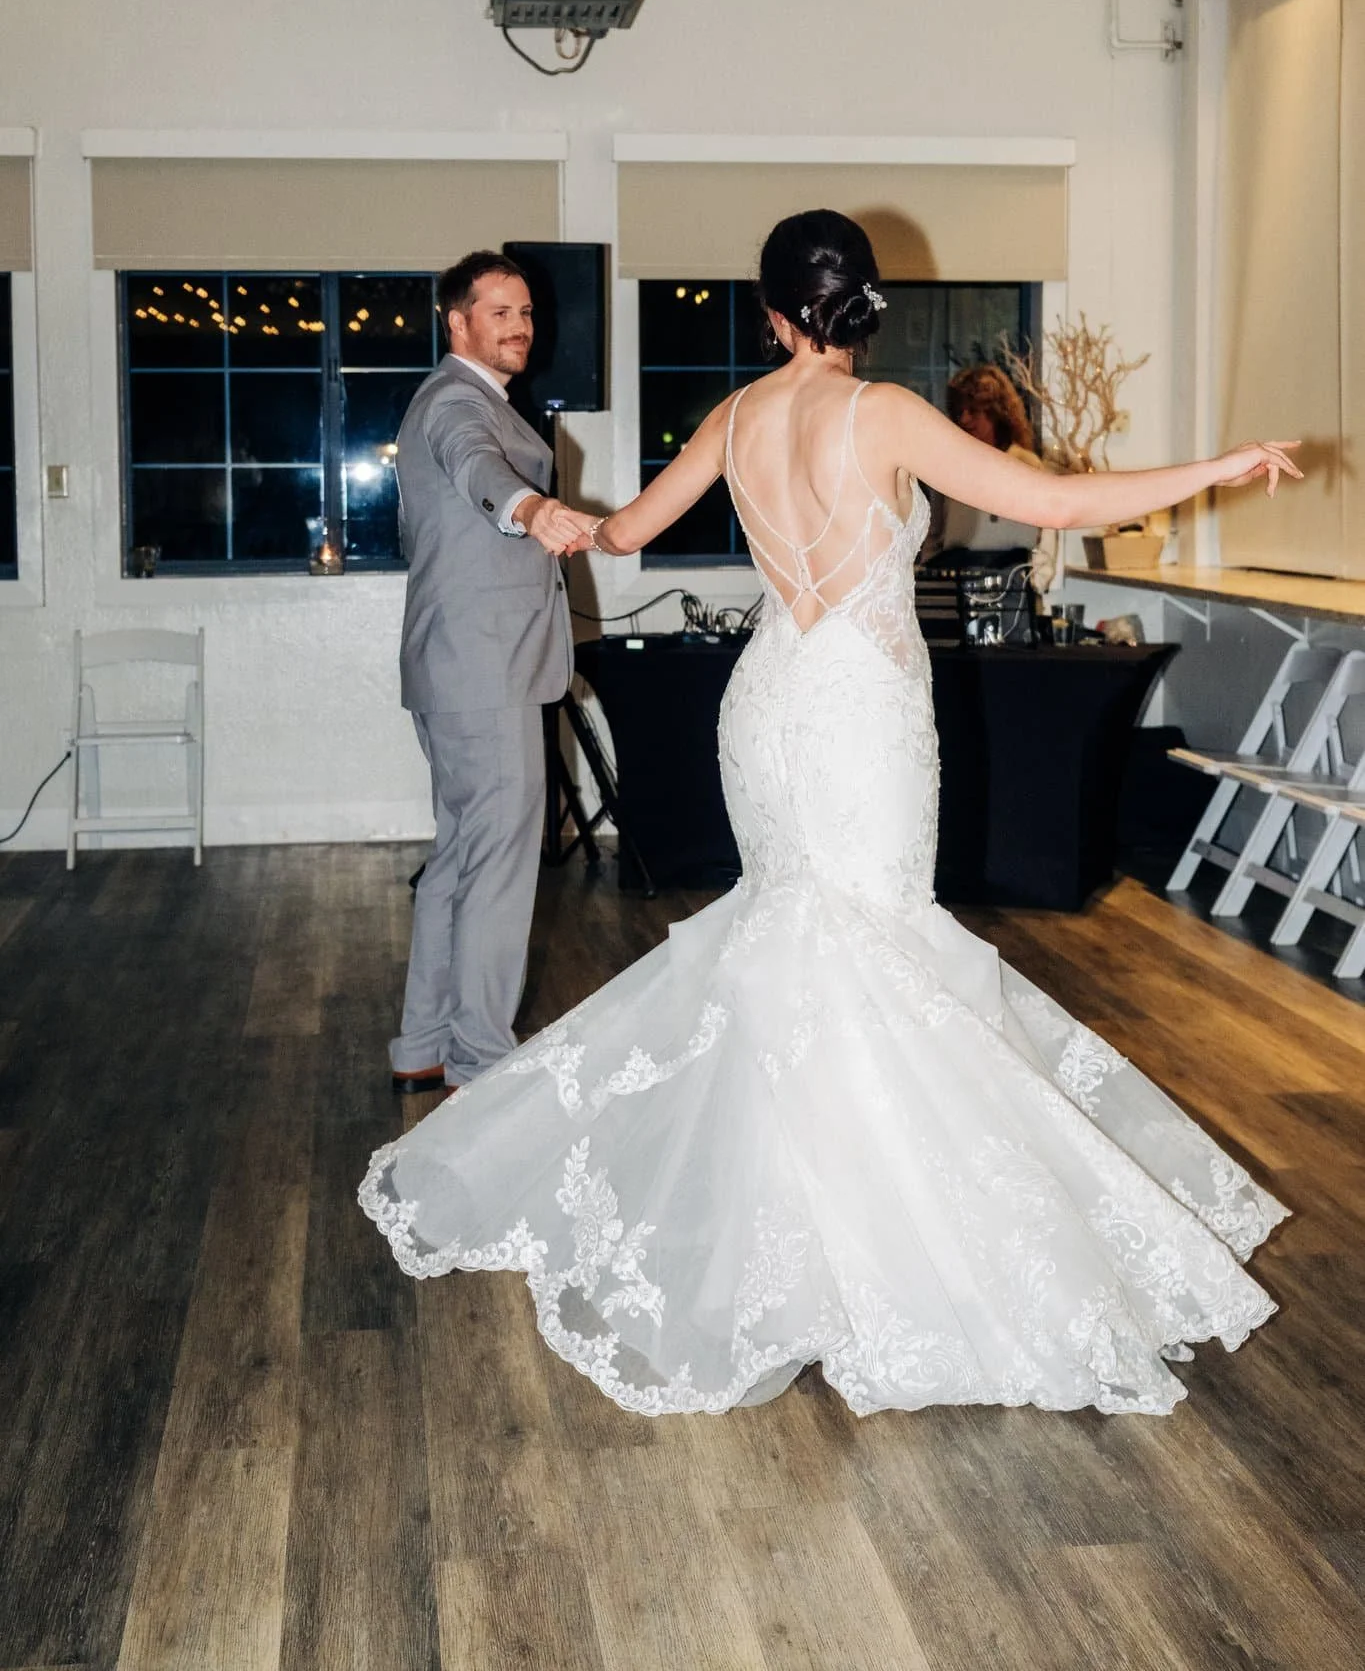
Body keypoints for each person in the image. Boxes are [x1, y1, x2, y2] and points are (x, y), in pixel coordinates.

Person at [362, 210, 1298, 1419]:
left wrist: (550, 520)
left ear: (770, 312)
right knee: (875, 943)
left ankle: (780, 1241)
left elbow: (630, 530)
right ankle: (861, 1246)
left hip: (769, 704)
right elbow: (1051, 504)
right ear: (863, 306)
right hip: (859, 709)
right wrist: (1215, 467)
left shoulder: (737, 416)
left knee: (789, 944)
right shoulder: (890, 415)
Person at [389, 252, 584, 1098]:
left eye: (527, 312)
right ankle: (481, 1061)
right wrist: (532, 508)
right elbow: (479, 469)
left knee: (462, 857)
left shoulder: (466, 398)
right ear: (456, 320)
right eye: (499, 311)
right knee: (499, 861)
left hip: (459, 665)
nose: (519, 326)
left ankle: (422, 1045)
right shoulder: (455, 402)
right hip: (480, 668)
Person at [928, 361, 1052, 573]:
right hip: (956, 575)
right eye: (959, 412)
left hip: (1013, 579)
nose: (964, 419)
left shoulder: (1025, 463)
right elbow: (934, 533)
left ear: (996, 412)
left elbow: (1044, 534)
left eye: (973, 410)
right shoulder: (948, 467)